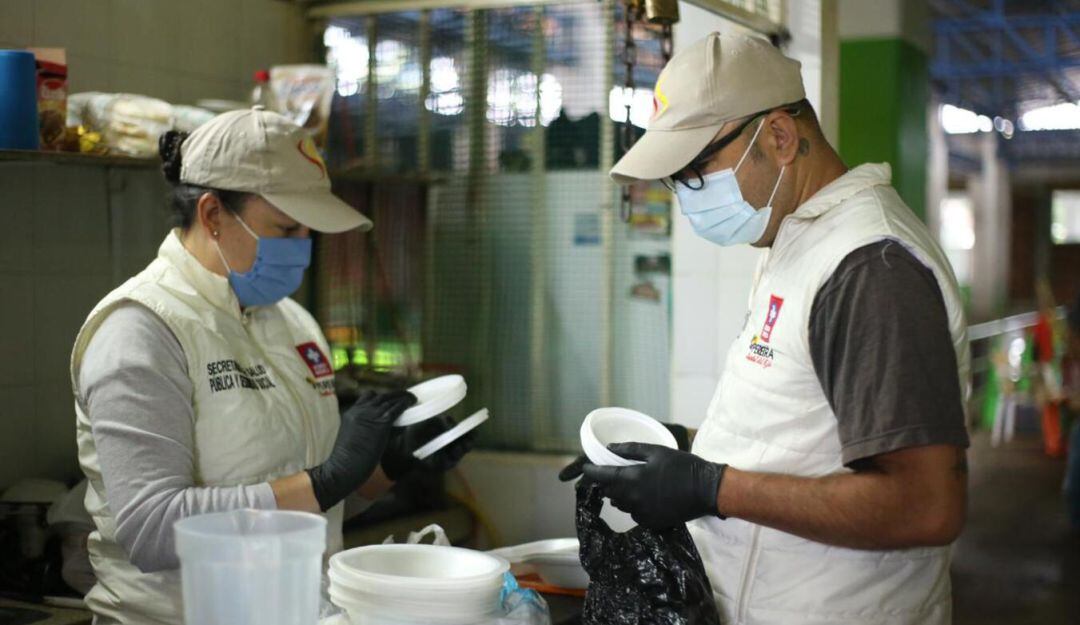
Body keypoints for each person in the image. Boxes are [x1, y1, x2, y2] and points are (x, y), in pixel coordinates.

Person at [561, 34, 970, 624]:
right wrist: (684, 448)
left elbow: (927, 505)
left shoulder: (869, 267)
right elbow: (804, 435)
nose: (684, 196)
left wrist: (709, 486)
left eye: (697, 168)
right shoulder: (798, 243)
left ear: (778, 137)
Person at [71, 108, 472, 625]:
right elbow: (151, 530)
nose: (302, 248)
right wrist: (325, 480)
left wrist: (381, 470)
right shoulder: (142, 330)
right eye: (285, 228)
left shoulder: (292, 323)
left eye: (309, 231)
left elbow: (309, 516)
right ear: (213, 214)